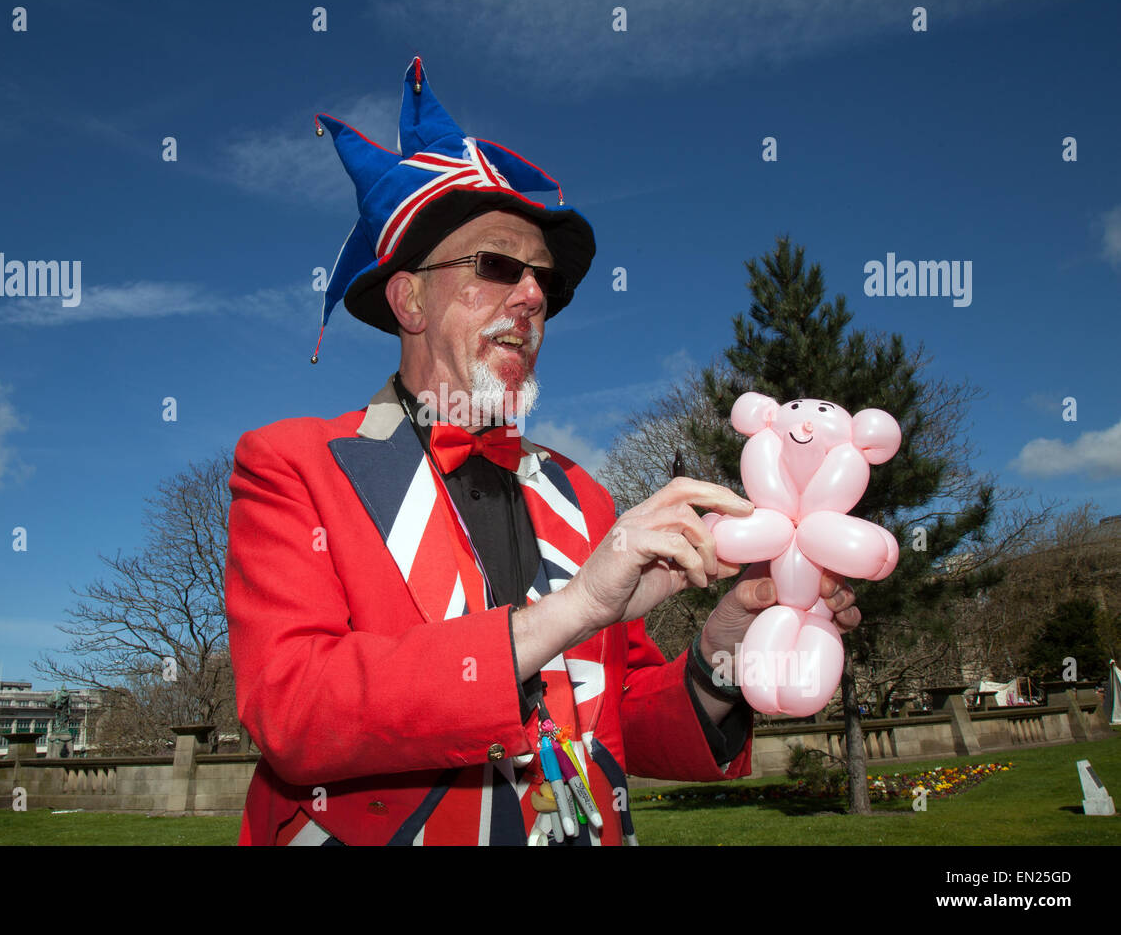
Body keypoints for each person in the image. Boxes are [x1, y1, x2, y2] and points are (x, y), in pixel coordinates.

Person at [225, 57, 861, 845]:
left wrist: (721, 657)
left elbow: (613, 724)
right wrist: (576, 610)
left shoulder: (584, 496)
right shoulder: (295, 467)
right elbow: (295, 712)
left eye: (544, 285)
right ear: (409, 298)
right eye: (496, 267)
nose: (532, 297)